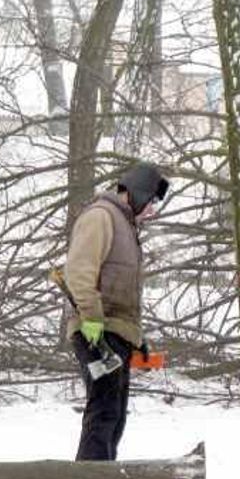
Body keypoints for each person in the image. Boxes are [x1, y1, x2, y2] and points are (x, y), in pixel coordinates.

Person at [64, 162, 169, 460]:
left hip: (116, 332)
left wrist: (137, 339)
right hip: (96, 331)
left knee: (116, 414)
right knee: (104, 410)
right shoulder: (101, 217)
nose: (151, 211)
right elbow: (79, 271)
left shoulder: (125, 225)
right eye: (151, 202)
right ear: (138, 193)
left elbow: (124, 291)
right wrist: (92, 318)